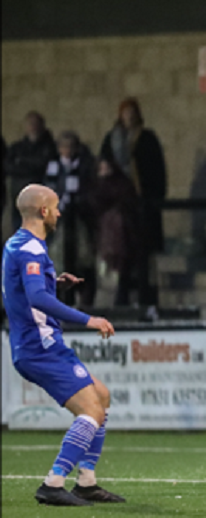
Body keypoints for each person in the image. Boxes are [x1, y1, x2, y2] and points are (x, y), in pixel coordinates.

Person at [2, 184, 122, 506]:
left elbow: (26, 291)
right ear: (43, 211)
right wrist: (88, 319)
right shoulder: (31, 249)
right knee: (92, 411)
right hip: (39, 347)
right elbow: (36, 298)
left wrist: (55, 284)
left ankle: (86, 482)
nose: (58, 213)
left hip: (37, 345)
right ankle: (53, 483)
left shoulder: (16, 244)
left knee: (101, 395)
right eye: (55, 207)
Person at [99, 97, 167, 306]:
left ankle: (148, 299)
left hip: (142, 206)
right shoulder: (111, 140)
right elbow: (103, 172)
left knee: (144, 255)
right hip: (120, 208)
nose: (128, 116)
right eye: (125, 112)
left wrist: (153, 199)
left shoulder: (147, 139)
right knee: (123, 254)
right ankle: (122, 299)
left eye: (132, 112)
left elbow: (158, 172)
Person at [44, 131, 97, 307]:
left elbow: (88, 189)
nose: (67, 150)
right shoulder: (53, 166)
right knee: (58, 258)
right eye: (64, 146)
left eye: (70, 146)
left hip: (79, 219)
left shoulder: (84, 166)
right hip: (59, 220)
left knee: (82, 259)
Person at [91, 159, 142, 306]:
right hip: (99, 238)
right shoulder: (94, 187)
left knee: (119, 273)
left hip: (120, 240)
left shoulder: (122, 186)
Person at [5, 112, 57, 229]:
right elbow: (8, 166)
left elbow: (42, 165)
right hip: (19, 195)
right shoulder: (17, 147)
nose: (33, 127)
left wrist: (21, 162)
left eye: (36, 124)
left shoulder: (50, 147)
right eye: (30, 124)